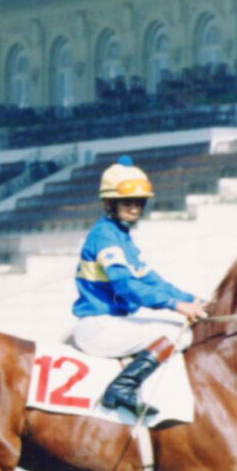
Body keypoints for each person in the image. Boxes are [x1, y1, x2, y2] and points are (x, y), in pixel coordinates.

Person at [70, 156, 209, 413]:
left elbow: (152, 280)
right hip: (99, 326)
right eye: (127, 202)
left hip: (113, 323)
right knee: (177, 334)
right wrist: (175, 305)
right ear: (109, 203)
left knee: (178, 324)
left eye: (139, 202)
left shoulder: (123, 239)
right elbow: (125, 287)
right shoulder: (105, 236)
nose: (134, 208)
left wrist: (193, 300)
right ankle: (122, 387)